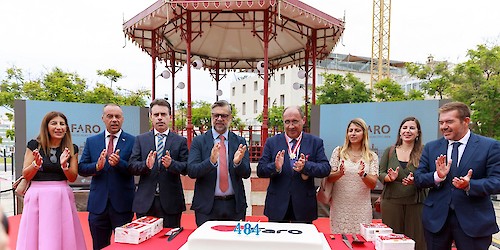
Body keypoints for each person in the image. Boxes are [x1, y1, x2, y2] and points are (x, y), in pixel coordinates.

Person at [414, 102, 500, 250]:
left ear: (466, 121)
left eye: (449, 122)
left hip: (474, 222)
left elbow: (497, 181)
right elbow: (419, 179)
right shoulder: (431, 147)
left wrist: (470, 185)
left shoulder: (489, 146)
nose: (443, 126)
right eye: (441, 122)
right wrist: (437, 176)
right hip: (436, 221)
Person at [16, 111, 86, 250]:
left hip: (62, 196)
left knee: (63, 235)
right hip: (37, 195)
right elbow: (26, 174)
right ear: (46, 127)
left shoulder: (72, 148)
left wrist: (65, 166)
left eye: (62, 124)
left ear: (66, 128)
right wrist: (35, 165)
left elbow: (72, 177)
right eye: (54, 123)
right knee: (35, 234)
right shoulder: (34, 145)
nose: (58, 127)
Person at [257, 106, 331, 224]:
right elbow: (260, 170)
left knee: (302, 242)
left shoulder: (315, 142)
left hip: (304, 205)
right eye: (287, 122)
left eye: (295, 121)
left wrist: (306, 167)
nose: (291, 126)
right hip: (277, 205)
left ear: (303, 120)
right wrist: (275, 167)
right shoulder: (272, 142)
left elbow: (325, 168)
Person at [78, 104, 135, 250]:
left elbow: (135, 168)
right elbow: (82, 168)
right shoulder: (92, 141)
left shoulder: (132, 141)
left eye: (118, 116)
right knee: (99, 246)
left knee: (123, 247)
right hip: (98, 206)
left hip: (123, 205)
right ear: (103, 118)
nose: (114, 120)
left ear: (122, 119)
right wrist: (96, 167)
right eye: (110, 116)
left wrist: (119, 163)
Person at [188, 100, 251, 226]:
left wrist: (237, 163)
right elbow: (192, 171)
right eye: (216, 115)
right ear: (211, 117)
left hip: (234, 206)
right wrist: (210, 162)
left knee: (233, 245)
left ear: (230, 118)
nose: (219, 119)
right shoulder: (199, 141)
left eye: (224, 116)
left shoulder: (239, 141)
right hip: (207, 207)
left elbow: (246, 173)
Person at [128, 99, 188, 228]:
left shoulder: (180, 141)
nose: (160, 118)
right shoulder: (140, 139)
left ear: (170, 117)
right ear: (151, 117)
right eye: (156, 115)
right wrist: (146, 165)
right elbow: (132, 166)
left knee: (169, 243)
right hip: (145, 202)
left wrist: (171, 164)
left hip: (171, 203)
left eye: (163, 114)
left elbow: (186, 168)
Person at [378, 117, 427, 250]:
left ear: (418, 132)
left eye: (412, 128)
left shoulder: (424, 151)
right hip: (391, 201)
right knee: (392, 240)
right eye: (404, 128)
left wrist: (416, 180)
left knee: (416, 240)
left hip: (416, 203)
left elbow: (429, 175)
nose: (407, 131)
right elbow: (380, 172)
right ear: (400, 132)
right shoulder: (390, 151)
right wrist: (389, 178)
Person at [326, 118, 379, 234]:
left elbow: (373, 184)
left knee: (361, 242)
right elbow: (329, 178)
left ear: (364, 133)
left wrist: (363, 175)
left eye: (357, 130)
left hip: (362, 208)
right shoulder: (339, 152)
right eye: (350, 130)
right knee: (340, 242)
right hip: (340, 206)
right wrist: (339, 173)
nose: (353, 133)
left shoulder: (371, 156)